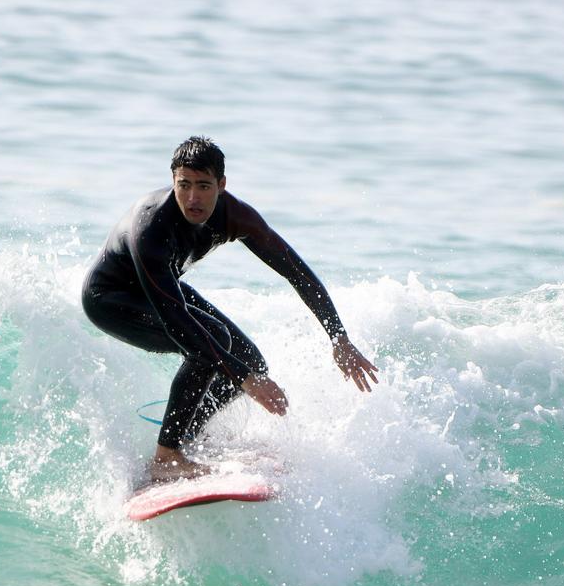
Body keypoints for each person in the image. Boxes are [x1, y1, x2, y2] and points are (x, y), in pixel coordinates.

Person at [81, 136, 378, 483]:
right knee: (213, 345)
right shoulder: (150, 227)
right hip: (111, 298)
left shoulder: (235, 216)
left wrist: (338, 338)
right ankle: (166, 457)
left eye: (204, 186)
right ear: (173, 180)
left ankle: (187, 438)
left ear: (221, 185)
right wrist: (244, 379)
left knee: (250, 360)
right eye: (184, 185)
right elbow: (179, 324)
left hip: (162, 288)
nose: (193, 198)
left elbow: (295, 270)